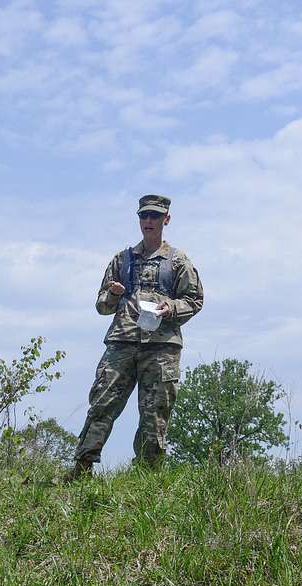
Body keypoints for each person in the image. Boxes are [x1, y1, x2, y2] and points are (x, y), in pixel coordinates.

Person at [70, 193, 205, 478]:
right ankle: (81, 470)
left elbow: (194, 300)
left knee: (155, 414)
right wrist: (113, 294)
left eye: (154, 216)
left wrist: (170, 307)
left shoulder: (178, 261)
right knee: (102, 404)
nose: (148, 221)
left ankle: (147, 477)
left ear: (166, 219)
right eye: (144, 216)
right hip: (121, 343)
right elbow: (101, 306)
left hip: (161, 348)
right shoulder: (122, 260)